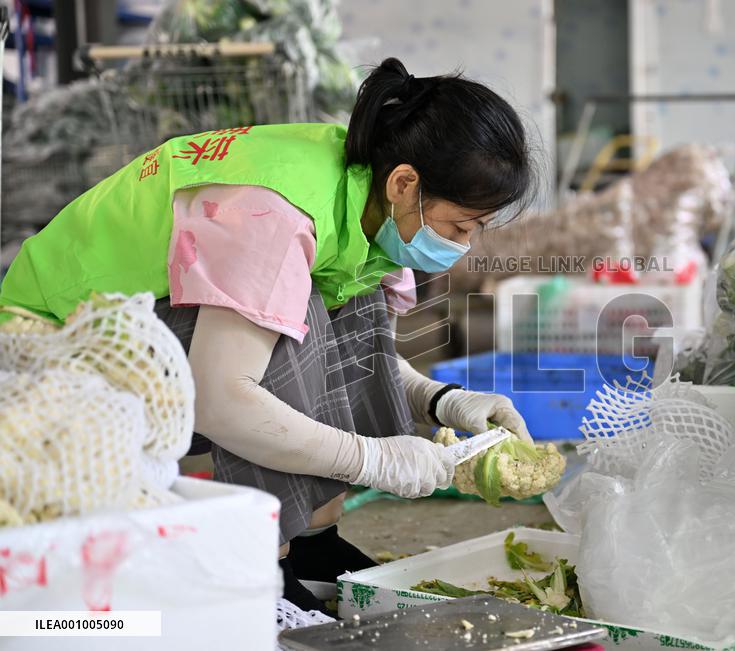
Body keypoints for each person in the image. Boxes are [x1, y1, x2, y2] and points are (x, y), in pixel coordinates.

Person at [0, 57, 536, 612]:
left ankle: (313, 543)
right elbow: (223, 398)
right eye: (460, 227)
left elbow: (356, 356)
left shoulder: (368, 200)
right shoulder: (276, 212)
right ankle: (265, 559)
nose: (463, 245)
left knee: (351, 305)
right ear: (407, 183)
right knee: (287, 312)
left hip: (135, 329)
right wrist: (371, 459)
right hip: (50, 347)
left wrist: (444, 401)